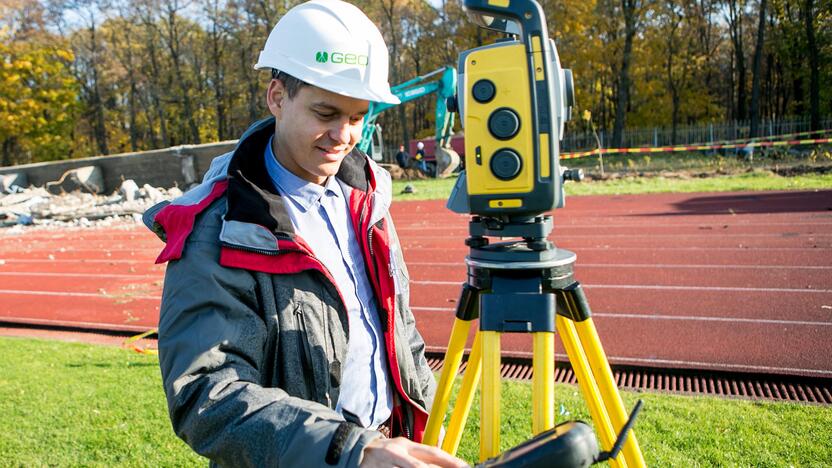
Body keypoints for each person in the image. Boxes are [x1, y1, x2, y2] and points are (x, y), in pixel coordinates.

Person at [142, 1, 467, 467]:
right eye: (326, 112)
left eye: (358, 116)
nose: (343, 134)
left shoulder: (366, 197)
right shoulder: (216, 229)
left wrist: (420, 429)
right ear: (277, 97)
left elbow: (399, 329)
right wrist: (351, 450)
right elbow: (207, 394)